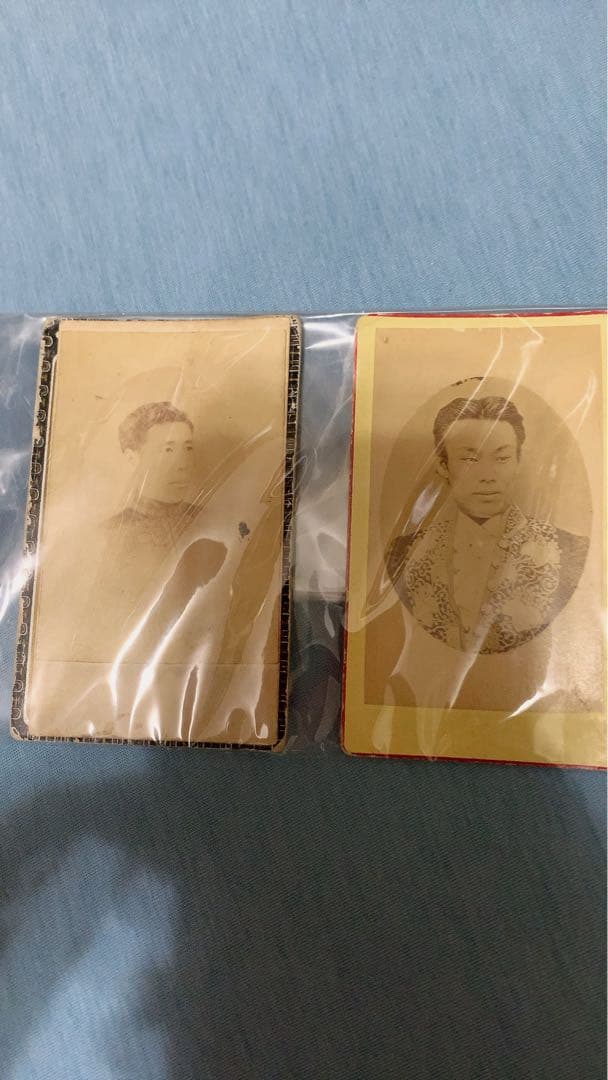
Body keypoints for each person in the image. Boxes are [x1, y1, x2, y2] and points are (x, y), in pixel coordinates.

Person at [387, 395, 589, 653]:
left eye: (502, 458)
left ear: (518, 463)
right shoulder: (402, 554)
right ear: (443, 466)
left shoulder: (571, 551)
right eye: (470, 459)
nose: (487, 476)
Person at [106, 400, 203, 548]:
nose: (183, 465)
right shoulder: (111, 534)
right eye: (168, 450)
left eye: (188, 448)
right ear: (132, 458)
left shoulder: (210, 519)